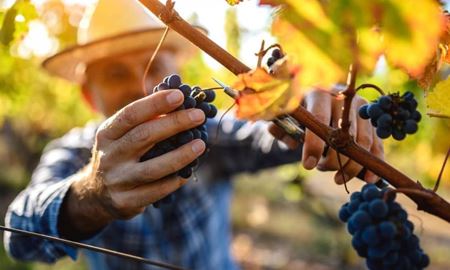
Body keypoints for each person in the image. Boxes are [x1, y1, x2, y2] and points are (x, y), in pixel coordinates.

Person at [4, 0, 383, 269]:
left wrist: (314, 110)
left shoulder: (208, 134)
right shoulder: (73, 154)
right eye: (117, 74)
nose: (143, 86)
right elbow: (19, 236)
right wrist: (91, 195)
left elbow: (265, 136)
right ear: (89, 96)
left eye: (155, 68)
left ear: (176, 72)